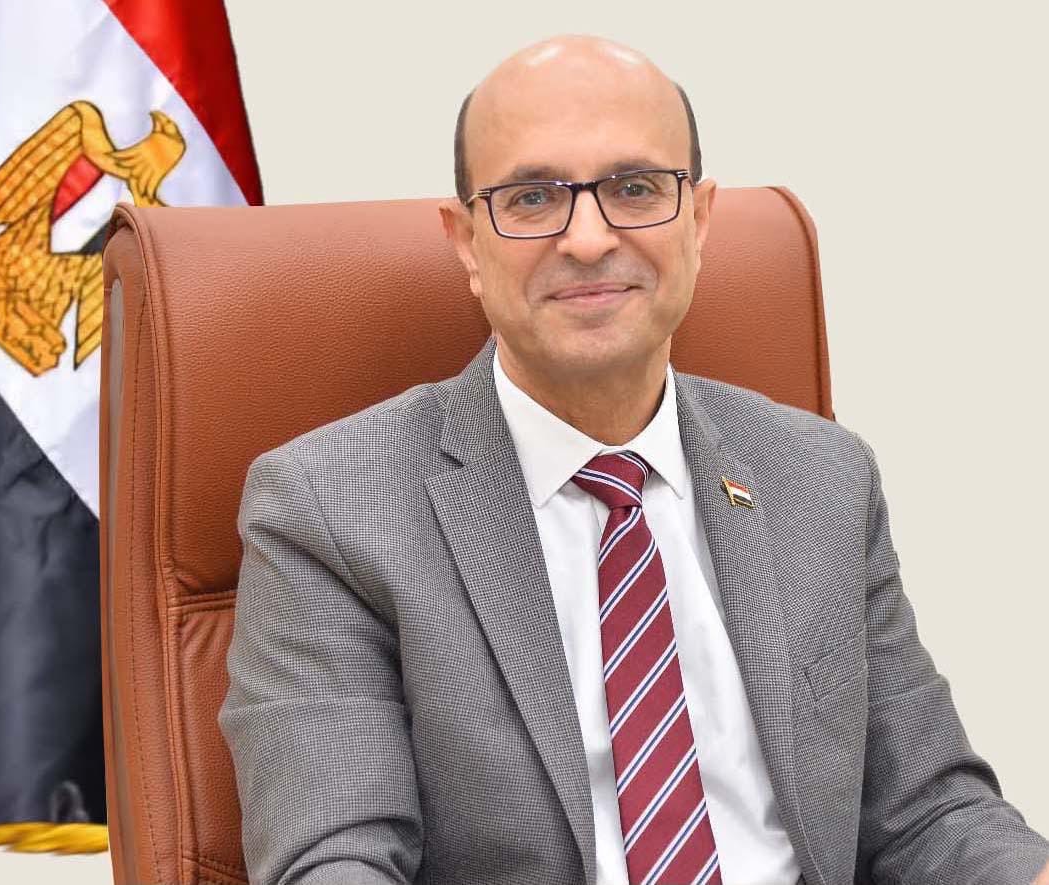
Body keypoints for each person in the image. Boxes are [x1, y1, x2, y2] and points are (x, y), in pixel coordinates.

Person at [218, 34, 1049, 885]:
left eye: (635, 188)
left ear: (698, 218)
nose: (587, 238)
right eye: (532, 197)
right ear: (465, 240)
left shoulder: (823, 476)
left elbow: (931, 814)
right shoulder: (327, 508)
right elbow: (336, 861)